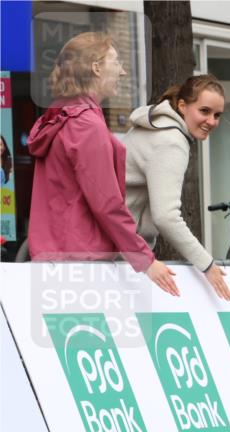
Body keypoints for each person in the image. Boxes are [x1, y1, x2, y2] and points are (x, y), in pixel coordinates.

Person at [27, 32, 178, 295]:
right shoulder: (86, 125)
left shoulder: (60, 117)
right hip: (83, 264)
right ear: (96, 68)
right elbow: (107, 203)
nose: (122, 72)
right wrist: (145, 260)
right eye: (116, 61)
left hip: (54, 260)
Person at [124, 74, 230, 301]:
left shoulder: (156, 125)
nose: (211, 121)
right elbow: (166, 216)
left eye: (217, 115)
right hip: (120, 251)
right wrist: (207, 265)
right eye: (204, 111)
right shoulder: (171, 141)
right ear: (182, 105)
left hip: (114, 246)